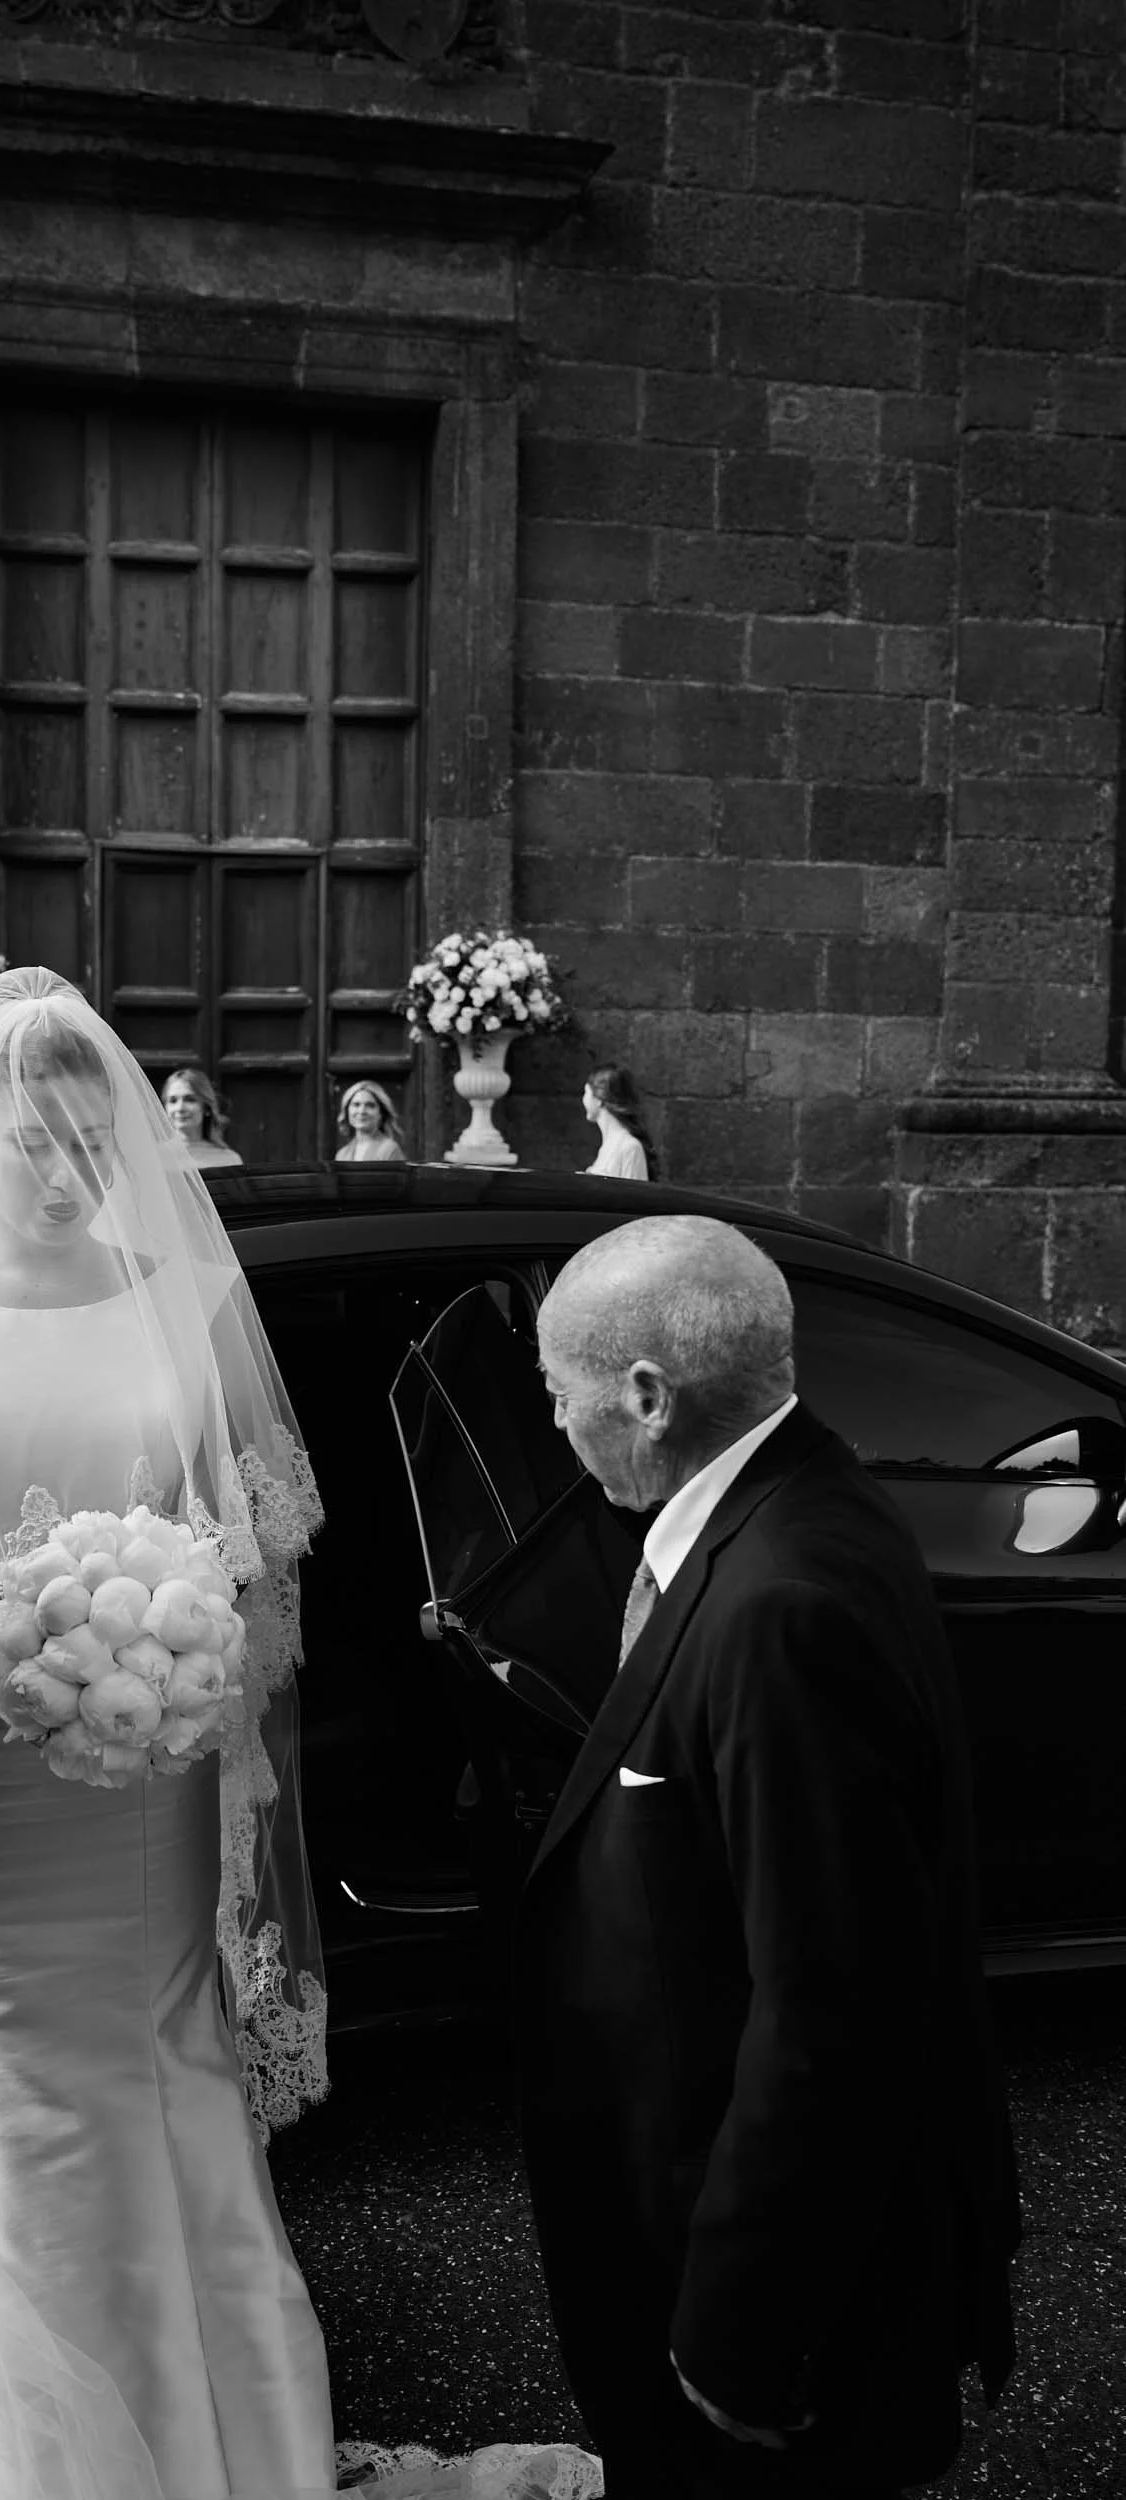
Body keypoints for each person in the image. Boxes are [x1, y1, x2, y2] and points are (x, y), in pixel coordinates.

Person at [0, 969, 334, 2500]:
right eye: (29, 1140)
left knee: (165, 2048)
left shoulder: (179, 1295)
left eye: (86, 1145)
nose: (58, 1172)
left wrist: (196, 1648)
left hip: (148, 1753)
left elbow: (252, 1540)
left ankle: (203, 2434)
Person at [521, 1215, 1021, 2500]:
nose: (554, 1425)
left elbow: (830, 2005)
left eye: (557, 1393)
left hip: (747, 2272)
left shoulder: (783, 1603)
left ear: (644, 1395)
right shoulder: (803, 1493)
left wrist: (740, 2326)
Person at [163, 1064, 244, 1168]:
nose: (180, 1108)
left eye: (190, 1099)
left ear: (206, 1108)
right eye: (173, 1101)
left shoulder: (230, 1159)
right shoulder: (151, 1156)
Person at [580, 1067, 653, 1181]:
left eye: (586, 1093)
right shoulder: (608, 1146)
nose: (583, 1099)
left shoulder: (629, 1147)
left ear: (599, 1099)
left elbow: (636, 1197)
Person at [335, 1079, 408, 1163]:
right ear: (347, 1111)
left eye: (370, 1105)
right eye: (356, 1104)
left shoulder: (390, 1150)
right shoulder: (341, 1154)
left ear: (381, 1113)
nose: (362, 1111)